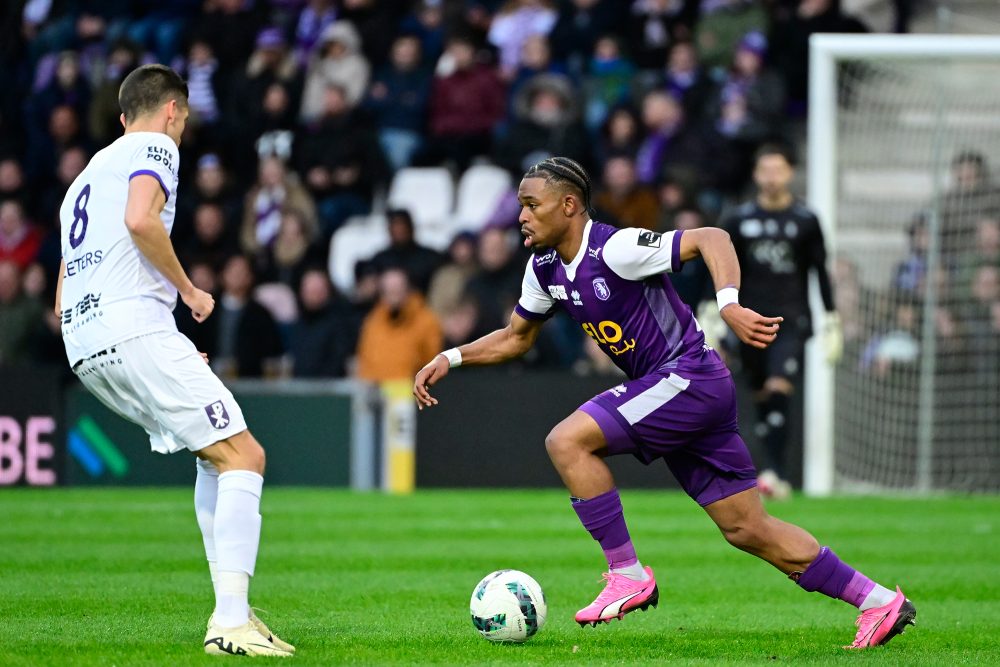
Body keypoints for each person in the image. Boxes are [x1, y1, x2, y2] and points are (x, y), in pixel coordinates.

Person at [413, 156, 915, 648]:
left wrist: (729, 304)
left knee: (566, 442)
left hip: (687, 376)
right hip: (685, 390)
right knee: (747, 528)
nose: (520, 215)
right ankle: (875, 601)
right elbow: (515, 337)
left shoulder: (615, 248)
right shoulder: (543, 268)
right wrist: (451, 357)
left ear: (569, 205)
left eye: (530, 204)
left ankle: (626, 573)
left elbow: (711, 238)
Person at [54, 64, 292, 657]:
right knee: (244, 454)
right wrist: (188, 293)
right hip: (131, 329)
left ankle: (231, 612)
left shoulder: (82, 179)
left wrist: (164, 340)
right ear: (172, 111)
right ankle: (231, 624)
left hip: (85, 344)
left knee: (213, 457)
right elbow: (140, 219)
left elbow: (62, 296)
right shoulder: (156, 145)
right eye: (181, 120)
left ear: (120, 115)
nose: (180, 131)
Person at [719, 145, 842, 496]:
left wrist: (831, 317)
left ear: (789, 174)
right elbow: (723, 269)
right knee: (760, 395)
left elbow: (819, 270)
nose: (772, 177)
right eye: (765, 170)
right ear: (757, 175)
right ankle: (770, 470)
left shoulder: (805, 220)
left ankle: (774, 473)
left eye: (779, 170)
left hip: (791, 319)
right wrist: (715, 309)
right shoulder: (739, 219)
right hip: (748, 321)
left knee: (778, 387)